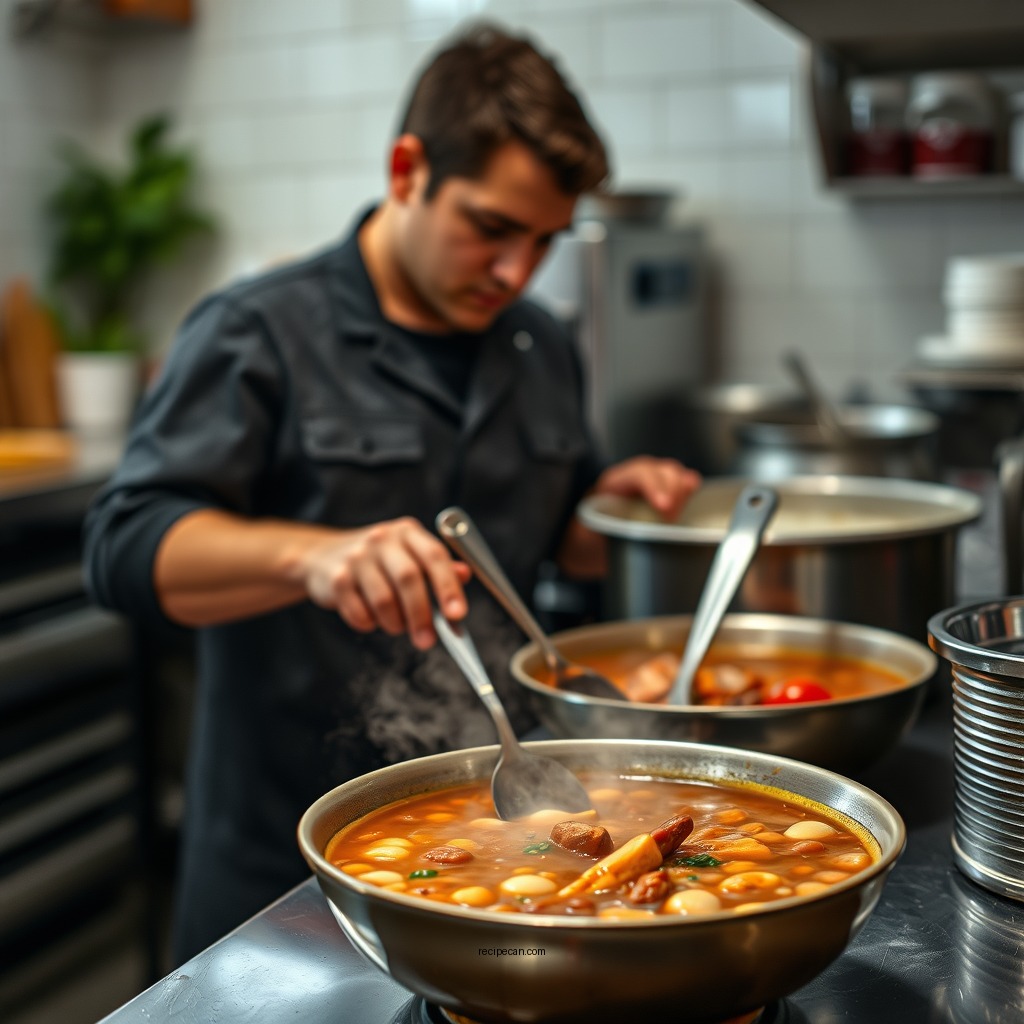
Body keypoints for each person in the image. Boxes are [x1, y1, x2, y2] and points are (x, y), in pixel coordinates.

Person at [82, 21, 701, 964]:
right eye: (491, 228)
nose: (517, 271)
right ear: (407, 170)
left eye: (544, 241)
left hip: (505, 852)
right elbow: (124, 547)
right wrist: (314, 557)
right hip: (282, 883)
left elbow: (558, 538)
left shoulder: (540, 344)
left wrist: (612, 508)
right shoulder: (258, 331)